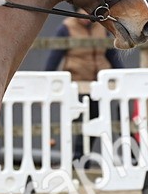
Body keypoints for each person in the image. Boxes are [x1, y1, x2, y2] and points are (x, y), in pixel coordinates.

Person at [45, 13, 122, 160]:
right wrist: (47, 77)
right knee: (81, 121)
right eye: (82, 13)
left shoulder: (102, 28)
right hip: (77, 84)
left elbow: (112, 56)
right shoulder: (66, 29)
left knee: (95, 119)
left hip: (98, 85)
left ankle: (82, 157)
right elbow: (54, 58)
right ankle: (78, 156)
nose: (85, 17)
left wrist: (123, 75)